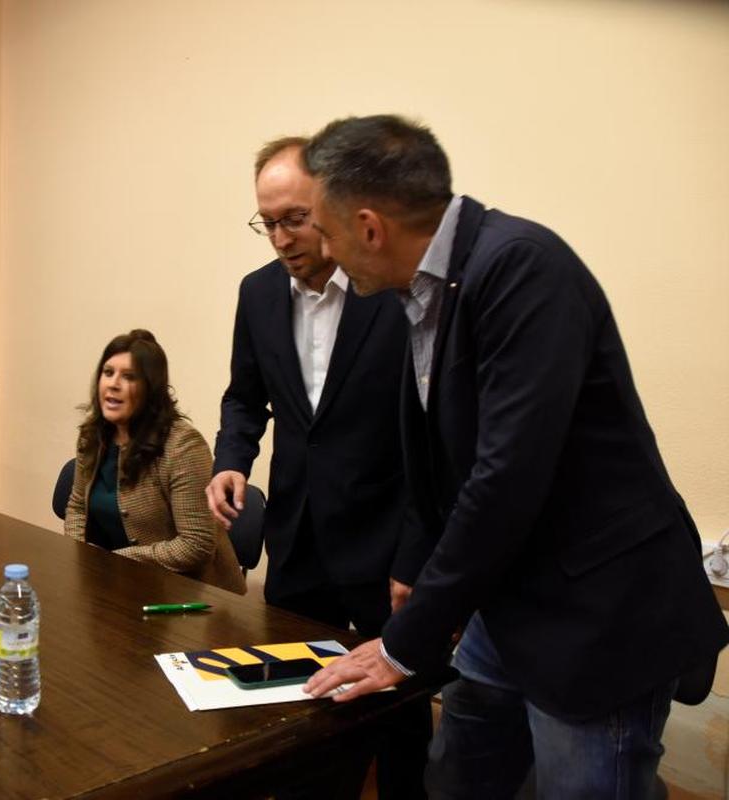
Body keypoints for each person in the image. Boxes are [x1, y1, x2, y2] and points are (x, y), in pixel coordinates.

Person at [300, 115, 729, 799]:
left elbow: (506, 475)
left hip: (597, 618)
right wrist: (420, 567)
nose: (322, 250)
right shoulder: (424, 290)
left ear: (370, 226)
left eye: (324, 230)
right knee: (461, 776)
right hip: (509, 606)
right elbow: (447, 455)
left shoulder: (522, 266)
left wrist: (404, 642)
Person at [205, 137, 430, 799]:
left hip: (382, 545)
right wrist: (231, 461)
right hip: (298, 538)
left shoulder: (393, 294)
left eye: (294, 218)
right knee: (299, 705)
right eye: (267, 222)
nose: (280, 237)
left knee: (399, 716)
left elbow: (431, 440)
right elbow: (245, 397)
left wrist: (416, 556)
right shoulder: (257, 295)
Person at [65, 330, 246, 594]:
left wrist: (112, 561)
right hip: (115, 585)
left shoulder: (183, 446)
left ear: (151, 388)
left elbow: (196, 545)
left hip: (189, 599)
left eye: (128, 377)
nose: (113, 384)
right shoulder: (93, 435)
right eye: (108, 372)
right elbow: (77, 507)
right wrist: (82, 555)